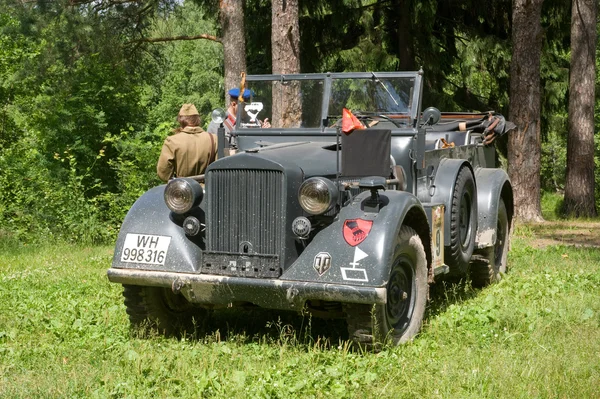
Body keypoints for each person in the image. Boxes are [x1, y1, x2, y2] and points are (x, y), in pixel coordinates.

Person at [156, 103, 217, 182]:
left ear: (180, 120)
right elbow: (219, 169)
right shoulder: (214, 139)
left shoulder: (172, 141)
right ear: (198, 119)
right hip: (208, 190)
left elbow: (163, 174)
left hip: (182, 189)